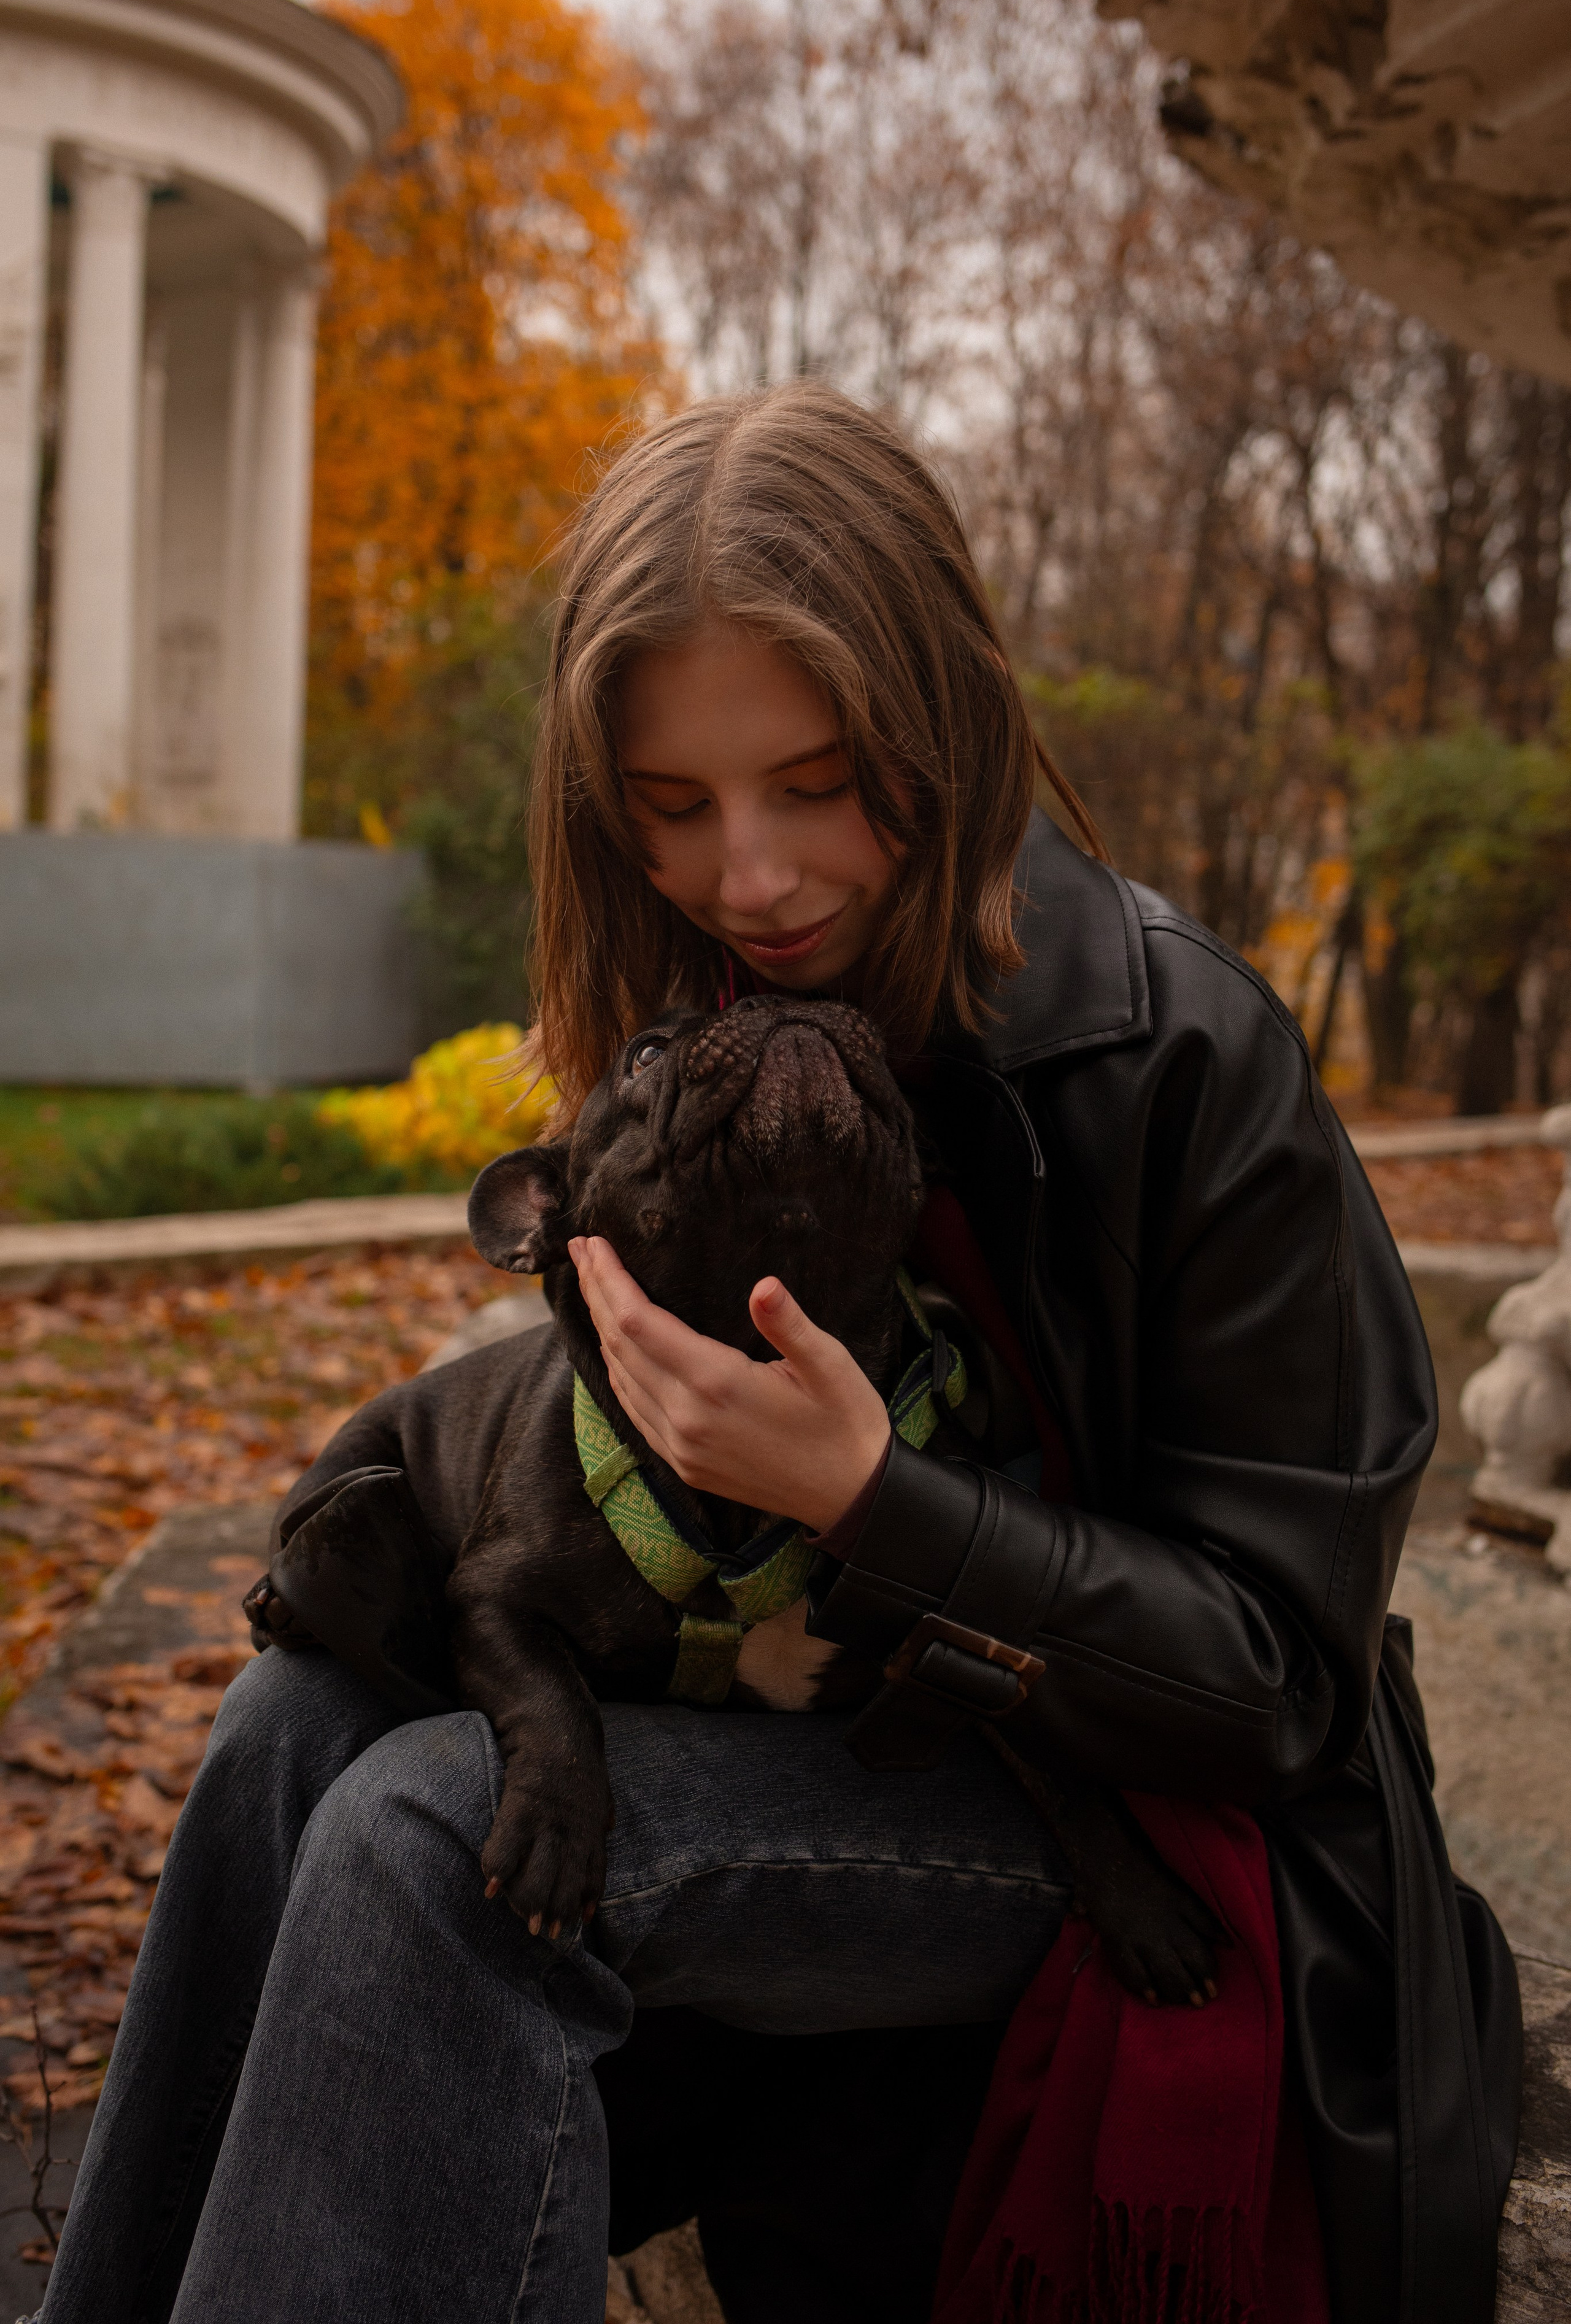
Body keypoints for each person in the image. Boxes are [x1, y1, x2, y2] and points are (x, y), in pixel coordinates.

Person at [34, 384, 1513, 2324]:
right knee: (287, 1732)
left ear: (947, 720)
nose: (750, 876)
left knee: (418, 1836)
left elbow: (1276, 1694)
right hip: (791, 1717)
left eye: (817, 783)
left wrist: (869, 1492)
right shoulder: (728, 1002)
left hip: (1131, 1816)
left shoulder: (1185, 1057)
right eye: (673, 808)